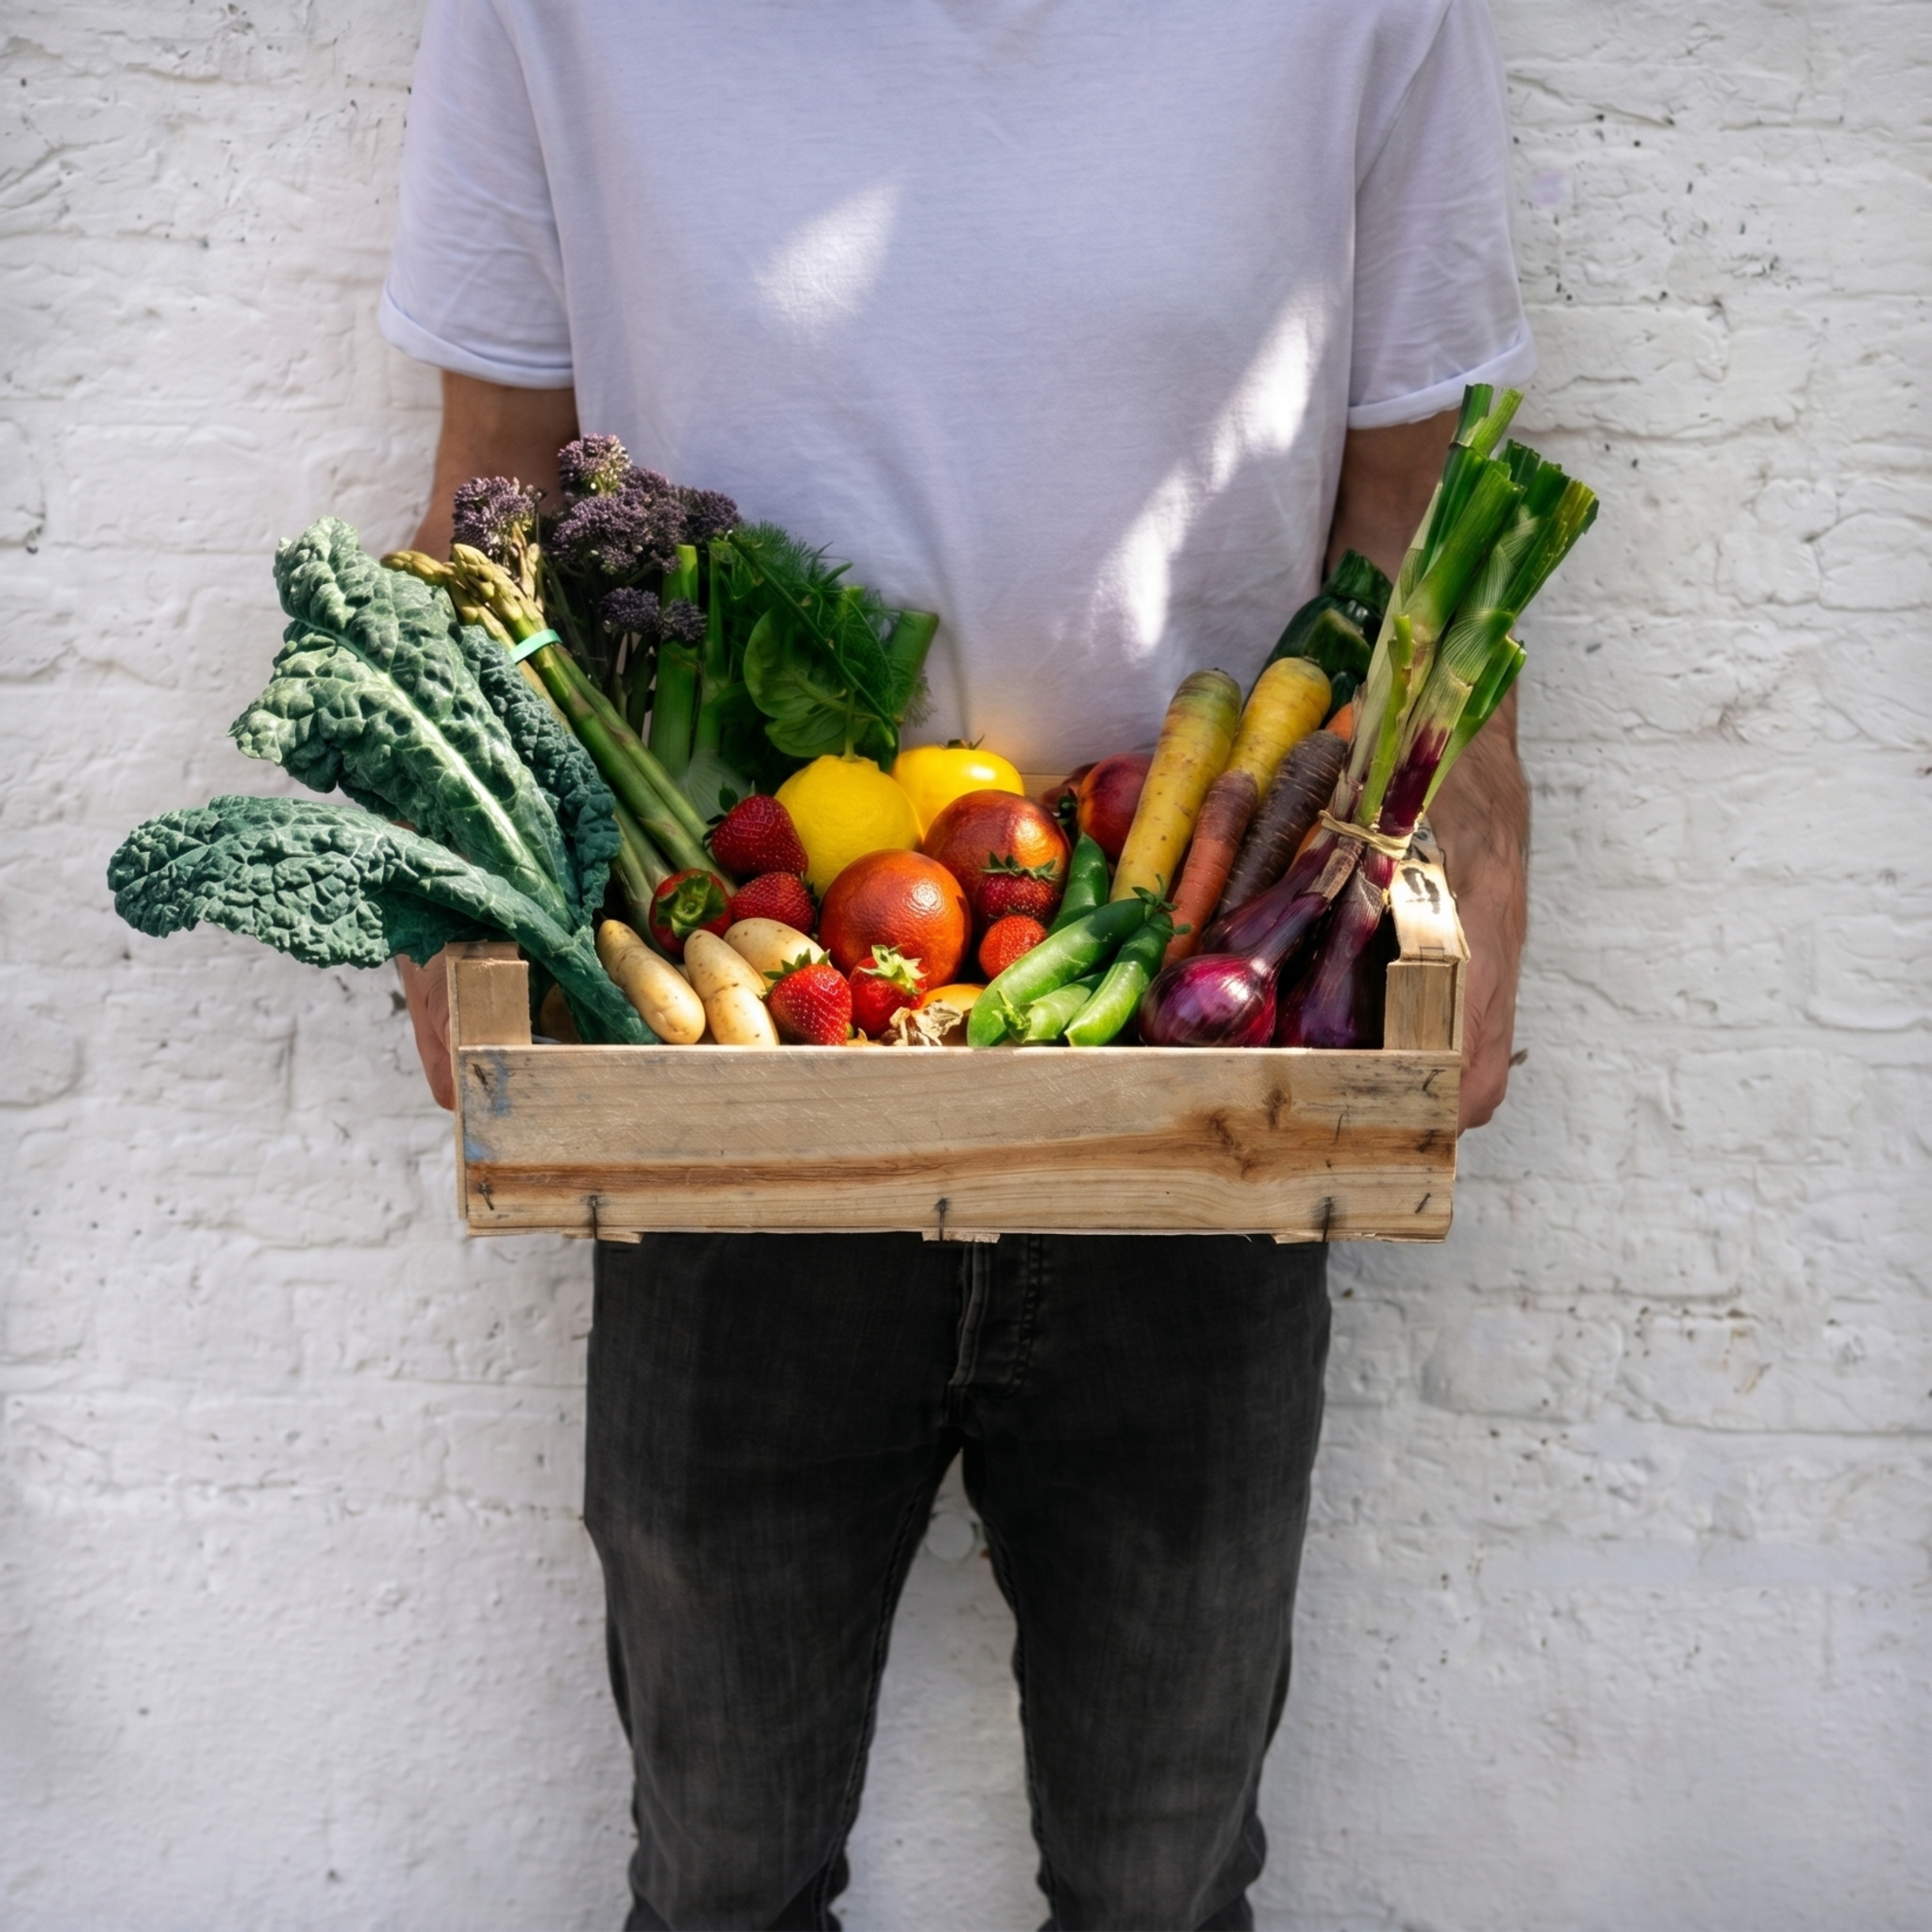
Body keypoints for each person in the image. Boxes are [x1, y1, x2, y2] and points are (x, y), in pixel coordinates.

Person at [387, 3, 1533, 1924]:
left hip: (1202, 1095)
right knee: (722, 1873)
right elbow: (489, 476)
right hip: (732, 1105)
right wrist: (459, 875)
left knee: (1162, 1880)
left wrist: (1483, 840)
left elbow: (1410, 493)